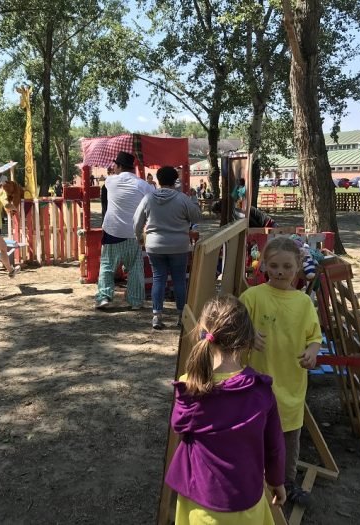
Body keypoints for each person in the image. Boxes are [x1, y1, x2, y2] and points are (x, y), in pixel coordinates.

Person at [165, 295, 286, 524]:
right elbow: (275, 446)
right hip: (247, 499)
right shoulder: (261, 391)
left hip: (201, 502)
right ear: (248, 340)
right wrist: (276, 481)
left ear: (204, 334)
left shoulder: (190, 385)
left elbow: (178, 427)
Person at [239, 237, 322, 507]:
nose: (280, 272)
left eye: (287, 266)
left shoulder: (303, 302)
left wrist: (312, 352)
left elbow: (314, 337)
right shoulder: (252, 297)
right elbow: (234, 328)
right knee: (256, 436)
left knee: (289, 438)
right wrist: (248, 335)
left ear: (298, 266)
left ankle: (287, 483)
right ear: (263, 265)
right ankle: (254, 481)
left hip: (292, 384)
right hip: (258, 385)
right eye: (274, 266)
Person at [134, 166, 201, 329]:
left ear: (158, 180)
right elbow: (196, 217)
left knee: (158, 279)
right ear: (175, 180)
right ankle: (181, 316)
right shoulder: (182, 199)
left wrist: (139, 238)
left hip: (155, 246)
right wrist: (193, 200)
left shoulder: (148, 198)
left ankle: (157, 316)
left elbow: (137, 222)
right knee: (179, 280)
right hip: (179, 246)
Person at [95, 151, 155, 310]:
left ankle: (104, 297)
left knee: (107, 265)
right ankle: (135, 300)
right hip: (133, 231)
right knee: (135, 267)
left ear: (120, 166)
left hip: (112, 230)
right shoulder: (143, 185)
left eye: (115, 165)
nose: (113, 167)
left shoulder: (110, 181)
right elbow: (153, 199)